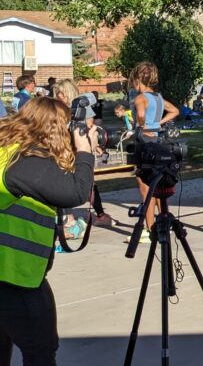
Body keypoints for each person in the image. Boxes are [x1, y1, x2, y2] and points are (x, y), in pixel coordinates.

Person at [0, 96, 97, 365]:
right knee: (40, 350)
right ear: (55, 128)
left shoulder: (8, 152)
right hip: (16, 278)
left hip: (10, 275)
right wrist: (85, 151)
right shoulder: (26, 164)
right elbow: (76, 192)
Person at [53, 79, 118, 228]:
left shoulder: (81, 106)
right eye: (57, 94)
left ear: (68, 92)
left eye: (60, 94)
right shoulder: (58, 109)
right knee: (64, 183)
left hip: (80, 150)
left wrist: (95, 146)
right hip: (64, 150)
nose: (58, 97)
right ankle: (68, 217)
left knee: (88, 183)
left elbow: (89, 128)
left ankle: (100, 214)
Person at [130, 62, 180, 239]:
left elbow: (141, 114)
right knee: (158, 183)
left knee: (145, 187)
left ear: (137, 80)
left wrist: (141, 125)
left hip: (144, 140)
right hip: (158, 140)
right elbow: (174, 110)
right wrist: (159, 123)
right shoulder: (158, 97)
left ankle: (150, 227)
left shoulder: (140, 98)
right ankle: (163, 221)